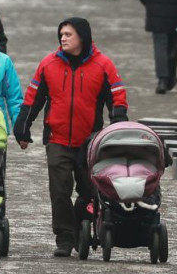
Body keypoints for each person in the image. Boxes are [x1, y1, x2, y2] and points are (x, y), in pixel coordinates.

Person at [13, 18, 129, 257]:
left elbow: (117, 97)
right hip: (57, 139)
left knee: (90, 192)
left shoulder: (103, 65)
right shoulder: (48, 64)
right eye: (61, 34)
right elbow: (33, 98)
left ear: (82, 37)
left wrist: (117, 124)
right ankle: (65, 239)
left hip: (90, 143)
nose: (63, 38)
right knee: (59, 191)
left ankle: (81, 226)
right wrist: (22, 129)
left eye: (68, 34)